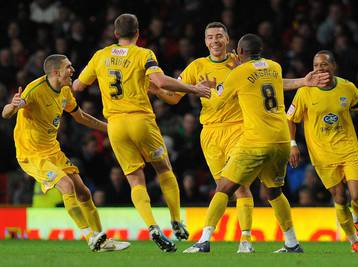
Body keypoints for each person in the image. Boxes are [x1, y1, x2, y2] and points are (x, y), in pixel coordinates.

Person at [152, 22, 328, 253]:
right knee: (268, 190)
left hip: (244, 132)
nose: (214, 41)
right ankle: (291, 242)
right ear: (205, 41)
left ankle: (230, 239)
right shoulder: (202, 66)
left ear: (230, 42)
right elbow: (173, 97)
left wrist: (202, 90)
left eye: (219, 36)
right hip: (217, 134)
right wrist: (158, 89)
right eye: (210, 37)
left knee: (233, 188)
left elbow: (220, 96)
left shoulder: (238, 67)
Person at [72, 13, 210, 252]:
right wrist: (194, 89)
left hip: (115, 125)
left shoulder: (100, 56)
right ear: (138, 33)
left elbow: (77, 86)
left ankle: (152, 226)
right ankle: (176, 221)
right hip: (140, 120)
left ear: (115, 34)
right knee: (164, 168)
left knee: (135, 179)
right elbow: (160, 81)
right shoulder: (144, 54)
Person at [183, 33, 304, 254]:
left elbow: (218, 101)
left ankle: (204, 240)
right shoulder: (274, 67)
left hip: (256, 140)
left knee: (224, 187)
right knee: (274, 192)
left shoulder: (238, 72)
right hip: (281, 140)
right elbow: (278, 84)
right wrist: (304, 81)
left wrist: (209, 88)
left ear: (239, 52)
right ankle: (292, 242)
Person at [1, 54, 129, 252]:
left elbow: (80, 117)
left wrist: (110, 129)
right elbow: (6, 113)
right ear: (56, 72)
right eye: (68, 67)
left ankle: (103, 240)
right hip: (32, 154)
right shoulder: (34, 90)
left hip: (53, 150)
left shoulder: (65, 91)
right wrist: (13, 105)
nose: (73, 70)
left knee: (84, 191)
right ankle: (90, 238)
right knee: (66, 185)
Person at [287, 50, 358, 252]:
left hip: (348, 151)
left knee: (357, 196)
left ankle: (356, 218)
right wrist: (292, 144)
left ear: (333, 66)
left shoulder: (347, 88)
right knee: (340, 197)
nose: (320, 69)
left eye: (324, 65)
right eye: (316, 65)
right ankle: (353, 239)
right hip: (322, 156)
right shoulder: (305, 92)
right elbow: (290, 120)